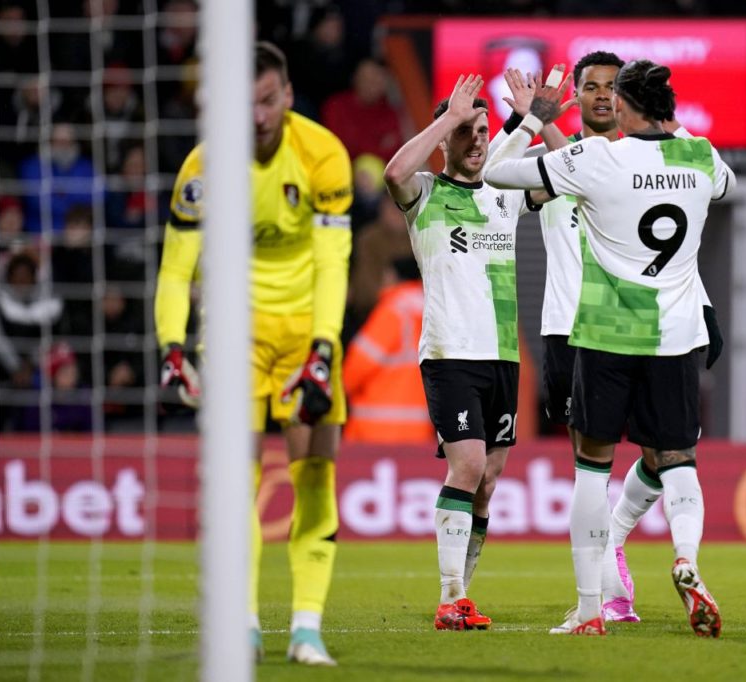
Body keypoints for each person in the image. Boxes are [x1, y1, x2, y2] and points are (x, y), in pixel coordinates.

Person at [485, 58, 735, 637]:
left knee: (596, 469)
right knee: (675, 458)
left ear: (623, 103)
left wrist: (529, 124)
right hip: (611, 331)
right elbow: (721, 185)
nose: (602, 98)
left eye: (610, 89)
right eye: (591, 88)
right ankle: (669, 562)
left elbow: (497, 175)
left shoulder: (589, 162)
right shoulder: (690, 154)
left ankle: (595, 593)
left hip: (604, 334)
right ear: (576, 97)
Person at [153, 42, 352, 666]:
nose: (258, 116)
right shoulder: (203, 167)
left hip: (305, 332)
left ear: (287, 96)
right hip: (233, 332)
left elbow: (331, 264)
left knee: (315, 475)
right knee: (237, 484)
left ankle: (306, 628)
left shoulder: (323, 154)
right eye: (246, 105)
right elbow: (175, 267)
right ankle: (241, 625)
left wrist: (322, 349)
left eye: (268, 101)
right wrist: (172, 344)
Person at [383, 73, 553, 631]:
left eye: (482, 130)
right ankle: (449, 594)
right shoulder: (425, 194)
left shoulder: (504, 192)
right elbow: (393, 172)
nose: (477, 140)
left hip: (503, 355)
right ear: (446, 140)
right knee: (470, 465)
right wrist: (449, 119)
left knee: (487, 482)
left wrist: (536, 119)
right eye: (465, 133)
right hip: (450, 352)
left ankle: (462, 597)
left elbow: (560, 176)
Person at [342, 257, 433, 443]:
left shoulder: (393, 311)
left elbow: (357, 366)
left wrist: (338, 390)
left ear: (392, 276)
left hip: (374, 430)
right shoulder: (434, 312)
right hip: (421, 430)